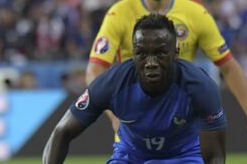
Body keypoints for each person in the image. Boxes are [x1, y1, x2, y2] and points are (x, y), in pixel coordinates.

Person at [86, 0, 247, 163]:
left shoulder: (195, 14)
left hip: (182, 140)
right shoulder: (118, 14)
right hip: (132, 141)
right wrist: (113, 115)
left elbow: (229, 67)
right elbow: (95, 69)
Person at [44, 14, 227, 164]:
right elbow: (62, 132)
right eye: (142, 54)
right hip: (130, 157)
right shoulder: (112, 83)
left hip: (183, 157)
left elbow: (214, 157)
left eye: (160, 53)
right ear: (133, 53)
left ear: (175, 53)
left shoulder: (200, 87)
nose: (151, 63)